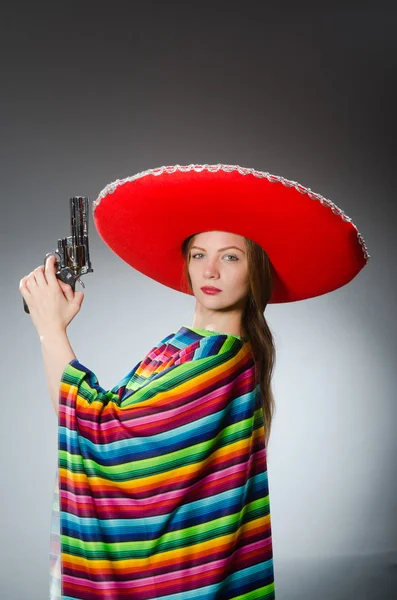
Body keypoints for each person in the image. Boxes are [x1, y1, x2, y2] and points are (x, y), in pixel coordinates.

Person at [19, 163, 370, 600]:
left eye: (231, 256)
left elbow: (101, 432)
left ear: (255, 270)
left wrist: (51, 331)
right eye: (199, 254)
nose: (211, 270)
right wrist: (52, 328)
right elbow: (93, 416)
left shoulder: (220, 358)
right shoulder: (181, 347)